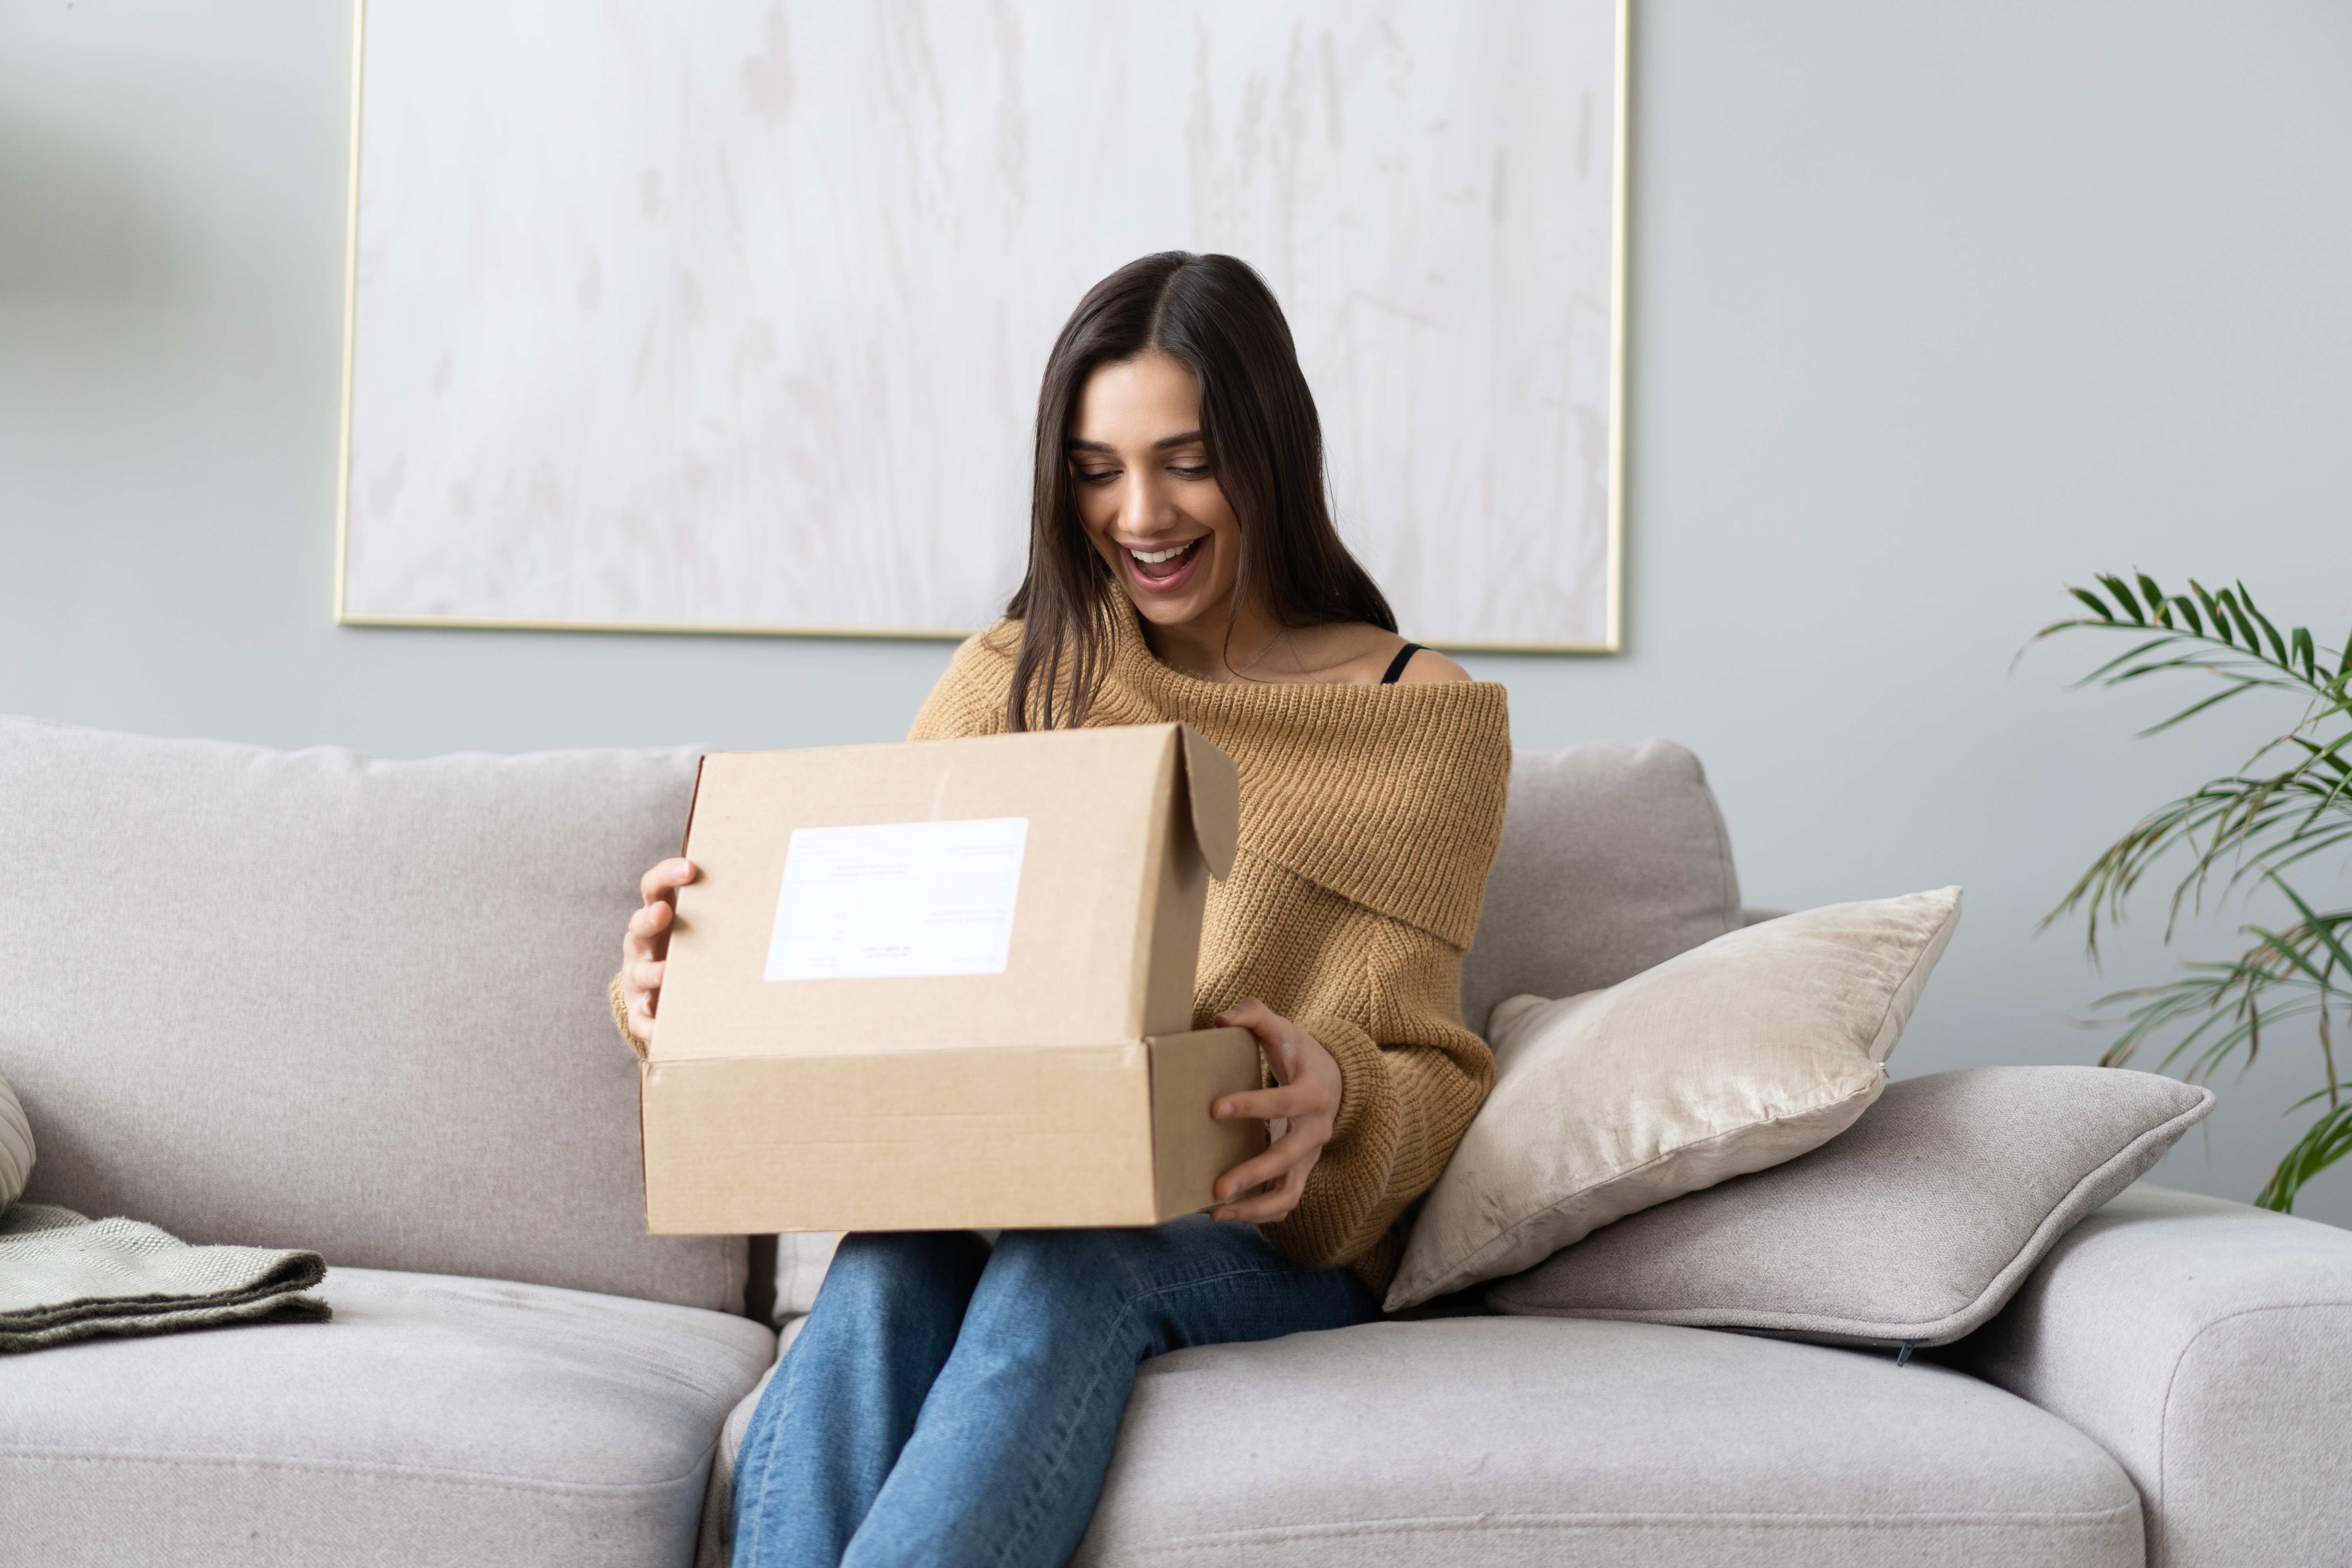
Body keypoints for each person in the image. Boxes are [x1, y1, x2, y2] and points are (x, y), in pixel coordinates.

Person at [612, 252, 1511, 1567]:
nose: (1138, 512)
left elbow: (1432, 1065)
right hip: (1006, 1183)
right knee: (879, 1274)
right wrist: (678, 989)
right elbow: (875, 972)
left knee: (1076, 1264)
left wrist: (1343, 1095)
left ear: (1271, 452)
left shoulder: (1418, 721)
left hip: (1256, 1229)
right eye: (1097, 469)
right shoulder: (1018, 676)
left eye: (1187, 460)